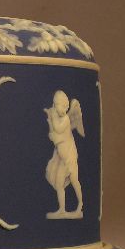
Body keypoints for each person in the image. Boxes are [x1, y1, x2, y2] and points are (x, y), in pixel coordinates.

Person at [45, 90, 83, 219]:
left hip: (69, 158)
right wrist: (51, 119)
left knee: (75, 181)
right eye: (55, 106)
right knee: (59, 184)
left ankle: (80, 205)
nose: (56, 109)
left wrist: (52, 116)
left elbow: (57, 129)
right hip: (62, 160)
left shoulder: (66, 119)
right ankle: (62, 210)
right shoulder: (59, 118)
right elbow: (53, 134)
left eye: (58, 106)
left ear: (66, 106)